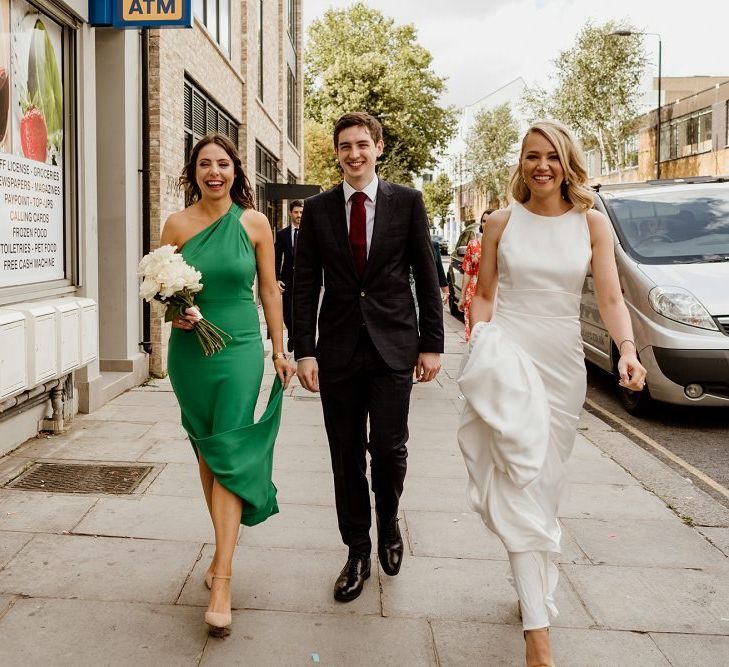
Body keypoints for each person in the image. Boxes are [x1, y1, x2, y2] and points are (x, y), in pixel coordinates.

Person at [458, 120, 646, 667]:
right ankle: (537, 636)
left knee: (546, 486)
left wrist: (628, 350)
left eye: (552, 157)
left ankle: (533, 584)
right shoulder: (499, 222)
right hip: (510, 362)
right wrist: (479, 345)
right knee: (521, 480)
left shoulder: (592, 224)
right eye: (531, 156)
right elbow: (486, 296)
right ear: (520, 163)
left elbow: (610, 299)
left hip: (563, 366)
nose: (541, 166)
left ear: (568, 164)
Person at [293, 112, 444, 602]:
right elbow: (304, 284)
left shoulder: (408, 202)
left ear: (378, 147)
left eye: (362, 144)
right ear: (336, 153)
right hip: (336, 351)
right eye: (345, 147)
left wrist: (432, 343)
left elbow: (426, 275)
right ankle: (357, 550)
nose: (353, 154)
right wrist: (305, 351)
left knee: (388, 449)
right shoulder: (316, 210)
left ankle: (390, 523)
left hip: (393, 346)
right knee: (345, 457)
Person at [162, 133, 295, 638]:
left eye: (222, 164)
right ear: (193, 172)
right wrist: (176, 314)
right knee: (206, 454)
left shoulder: (255, 223)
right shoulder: (175, 224)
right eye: (204, 164)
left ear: (237, 171)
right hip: (191, 354)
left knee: (229, 450)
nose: (213, 172)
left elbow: (269, 289)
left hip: (239, 349)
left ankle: (222, 577)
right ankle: (223, 552)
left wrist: (279, 350)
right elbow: (161, 286)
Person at [458, 209, 494, 339]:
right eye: (484, 221)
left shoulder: (503, 244)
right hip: (473, 293)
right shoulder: (473, 245)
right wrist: (462, 297)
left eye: (490, 221)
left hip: (494, 293)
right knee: (473, 335)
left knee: (490, 337)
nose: (486, 224)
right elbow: (468, 271)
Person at [275, 199, 304, 352]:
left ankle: (299, 338)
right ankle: (292, 335)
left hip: (305, 280)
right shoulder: (282, 234)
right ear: (290, 213)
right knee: (288, 312)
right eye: (296, 212)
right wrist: (277, 278)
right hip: (287, 280)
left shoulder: (310, 233)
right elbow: (277, 257)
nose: (299, 215)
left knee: (303, 310)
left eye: (301, 212)